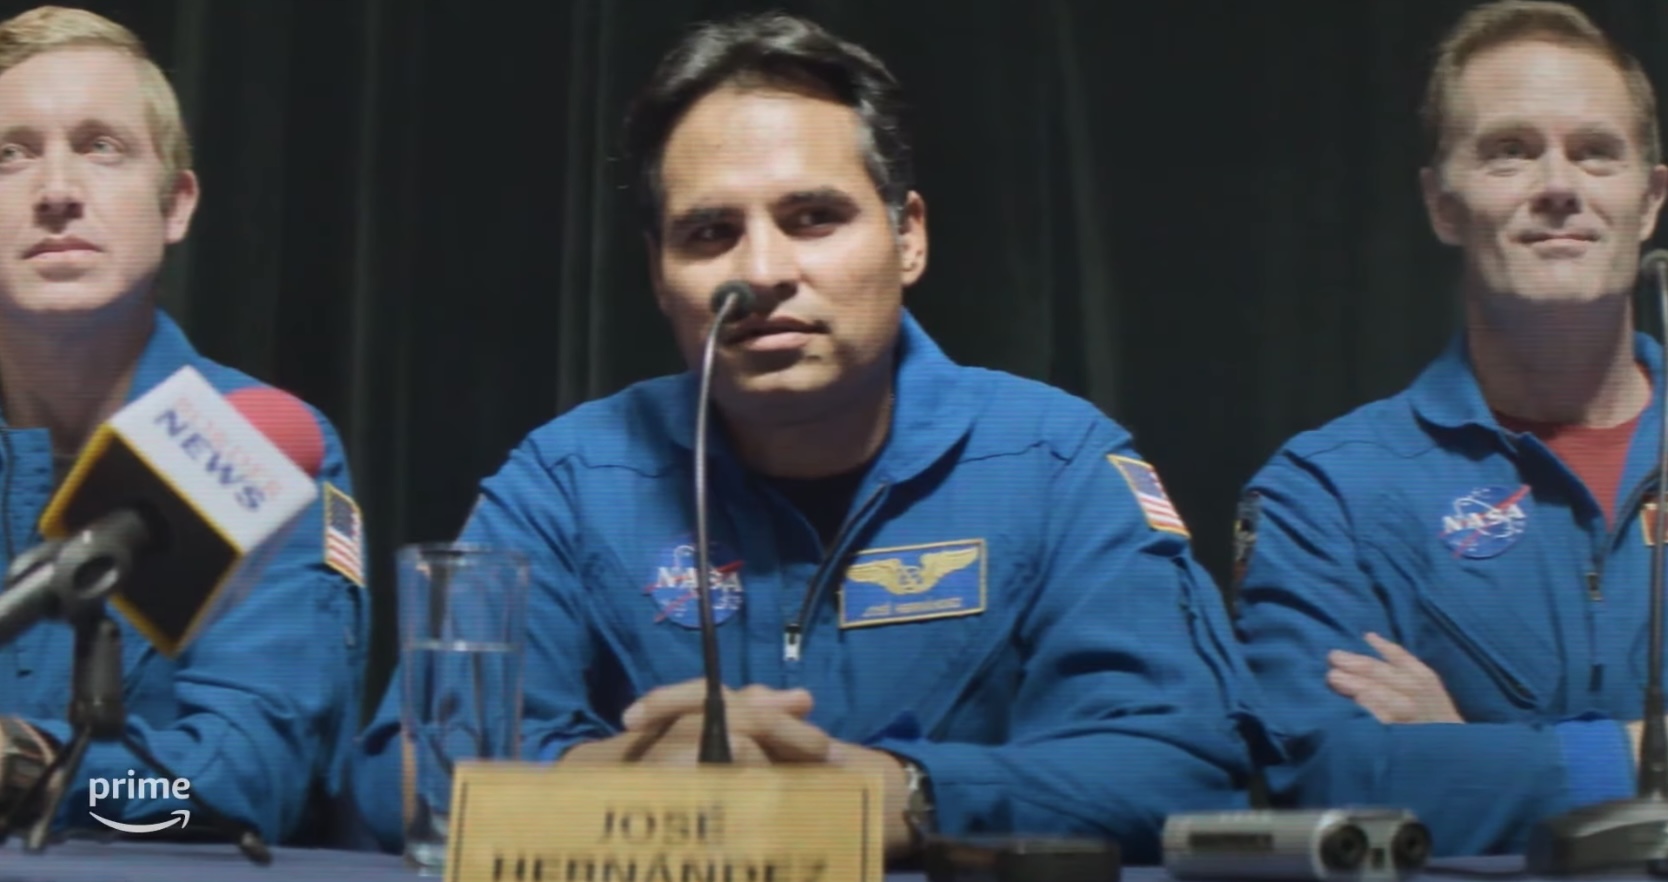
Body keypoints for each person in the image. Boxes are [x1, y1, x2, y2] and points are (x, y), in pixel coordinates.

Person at [354, 10, 1267, 865]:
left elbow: (1189, 763)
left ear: (908, 237)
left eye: (813, 219)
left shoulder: (1055, 462)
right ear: (660, 275)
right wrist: (613, 789)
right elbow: (395, 773)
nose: (761, 271)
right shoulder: (567, 480)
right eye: (710, 232)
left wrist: (896, 795)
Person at [1234, 0, 1668, 856]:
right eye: (1510, 150)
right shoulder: (1330, 494)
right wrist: (1633, 759)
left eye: (1596, 152)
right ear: (1442, 205)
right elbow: (1327, 778)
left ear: (1650, 200)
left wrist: (1466, 749)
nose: (1559, 186)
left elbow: (1411, 780)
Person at [0, 6, 369, 844]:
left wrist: (26, 770)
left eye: (101, 147)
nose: (56, 192)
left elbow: (247, 781)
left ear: (176, 204)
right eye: (10, 154)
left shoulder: (254, 445)